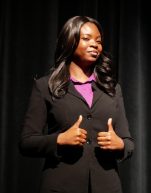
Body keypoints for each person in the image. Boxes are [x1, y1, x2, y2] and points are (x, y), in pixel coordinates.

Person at [19, 16, 134, 193]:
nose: (95, 44)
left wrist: (120, 145)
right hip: (61, 186)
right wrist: (59, 140)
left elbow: (128, 141)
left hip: (107, 187)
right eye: (86, 38)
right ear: (70, 41)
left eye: (98, 41)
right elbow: (26, 142)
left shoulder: (113, 88)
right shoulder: (45, 86)